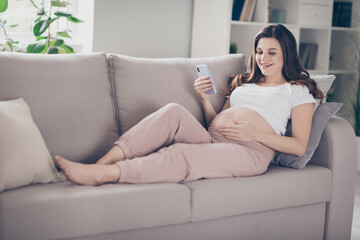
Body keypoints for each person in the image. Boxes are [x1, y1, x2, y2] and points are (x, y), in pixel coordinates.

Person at [55, 24, 324, 186]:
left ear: (286, 54)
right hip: (212, 138)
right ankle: (102, 163)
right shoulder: (244, 83)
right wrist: (205, 100)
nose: (263, 58)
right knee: (173, 111)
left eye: (271, 52)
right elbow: (216, 121)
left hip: (250, 151)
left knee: (183, 154)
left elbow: (299, 146)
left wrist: (255, 135)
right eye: (259, 51)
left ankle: (108, 175)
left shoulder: (297, 90)